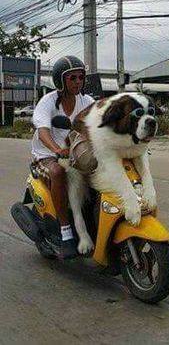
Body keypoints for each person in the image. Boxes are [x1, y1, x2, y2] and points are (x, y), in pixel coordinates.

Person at [31, 56, 94, 259]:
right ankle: (66, 233)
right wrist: (57, 149)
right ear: (60, 81)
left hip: (76, 155)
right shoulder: (47, 102)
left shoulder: (86, 101)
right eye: (72, 78)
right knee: (57, 172)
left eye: (80, 77)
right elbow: (42, 131)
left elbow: (101, 120)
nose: (77, 82)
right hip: (46, 157)